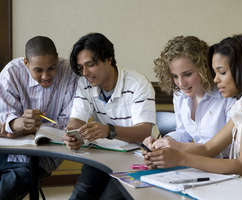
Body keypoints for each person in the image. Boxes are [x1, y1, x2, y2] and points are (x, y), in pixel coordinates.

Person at [144, 34, 242, 187]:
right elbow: (208, 148)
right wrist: (164, 150)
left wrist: (180, 158)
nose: (215, 79)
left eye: (222, 72)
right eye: (215, 72)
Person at [63, 33, 156, 200]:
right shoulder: (85, 83)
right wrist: (72, 134)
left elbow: (144, 132)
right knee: (79, 195)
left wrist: (109, 131)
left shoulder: (138, 83)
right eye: (80, 67)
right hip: (104, 153)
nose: (85, 73)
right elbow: (76, 120)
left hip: (139, 157)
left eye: (90, 65)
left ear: (109, 59)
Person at [0, 36, 78, 199]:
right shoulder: (12, 72)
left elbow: (69, 124)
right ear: (26, 63)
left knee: (6, 189)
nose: (46, 76)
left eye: (51, 68)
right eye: (38, 70)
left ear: (57, 59)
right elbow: (3, 119)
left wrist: (37, 128)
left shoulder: (70, 75)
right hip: (5, 151)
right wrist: (16, 123)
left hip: (43, 156)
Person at [143, 35, 235, 157]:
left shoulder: (227, 96)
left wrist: (180, 148)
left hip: (221, 165)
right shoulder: (180, 96)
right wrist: (162, 142)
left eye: (187, 74)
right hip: (194, 163)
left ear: (204, 69)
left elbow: (227, 148)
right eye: (175, 76)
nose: (181, 83)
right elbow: (184, 133)